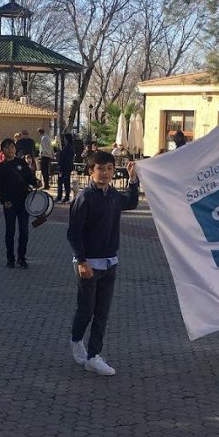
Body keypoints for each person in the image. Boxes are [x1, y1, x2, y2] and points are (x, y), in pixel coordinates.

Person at [66, 152, 140, 376]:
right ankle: (76, 340)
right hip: (89, 263)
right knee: (86, 310)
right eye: (100, 168)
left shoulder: (113, 196)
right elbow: (74, 232)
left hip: (110, 262)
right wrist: (81, 260)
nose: (106, 173)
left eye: (109, 168)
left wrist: (133, 180)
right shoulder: (85, 197)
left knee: (102, 312)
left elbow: (132, 202)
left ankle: (93, 356)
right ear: (91, 171)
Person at [0, 138, 38, 269]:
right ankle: (10, 258)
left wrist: (36, 182)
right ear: (3, 150)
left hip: (24, 202)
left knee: (24, 231)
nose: (10, 149)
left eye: (12, 147)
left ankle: (22, 258)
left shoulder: (21, 163)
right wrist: (3, 201)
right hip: (9, 203)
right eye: (7, 147)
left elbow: (30, 178)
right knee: (10, 231)